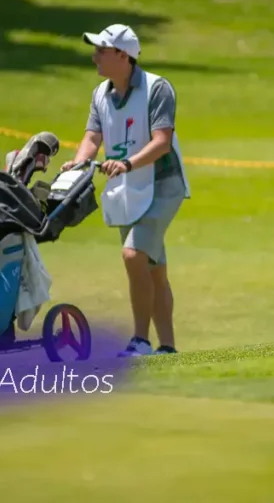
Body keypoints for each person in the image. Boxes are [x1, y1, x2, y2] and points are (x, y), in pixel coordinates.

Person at [61, 24, 191, 356]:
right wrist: (77, 164)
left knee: (134, 256)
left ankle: (140, 341)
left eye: (101, 51)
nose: (95, 57)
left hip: (162, 184)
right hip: (128, 189)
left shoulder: (158, 88)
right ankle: (167, 348)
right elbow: (92, 137)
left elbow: (162, 142)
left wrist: (127, 164)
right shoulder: (100, 94)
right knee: (153, 269)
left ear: (123, 56)